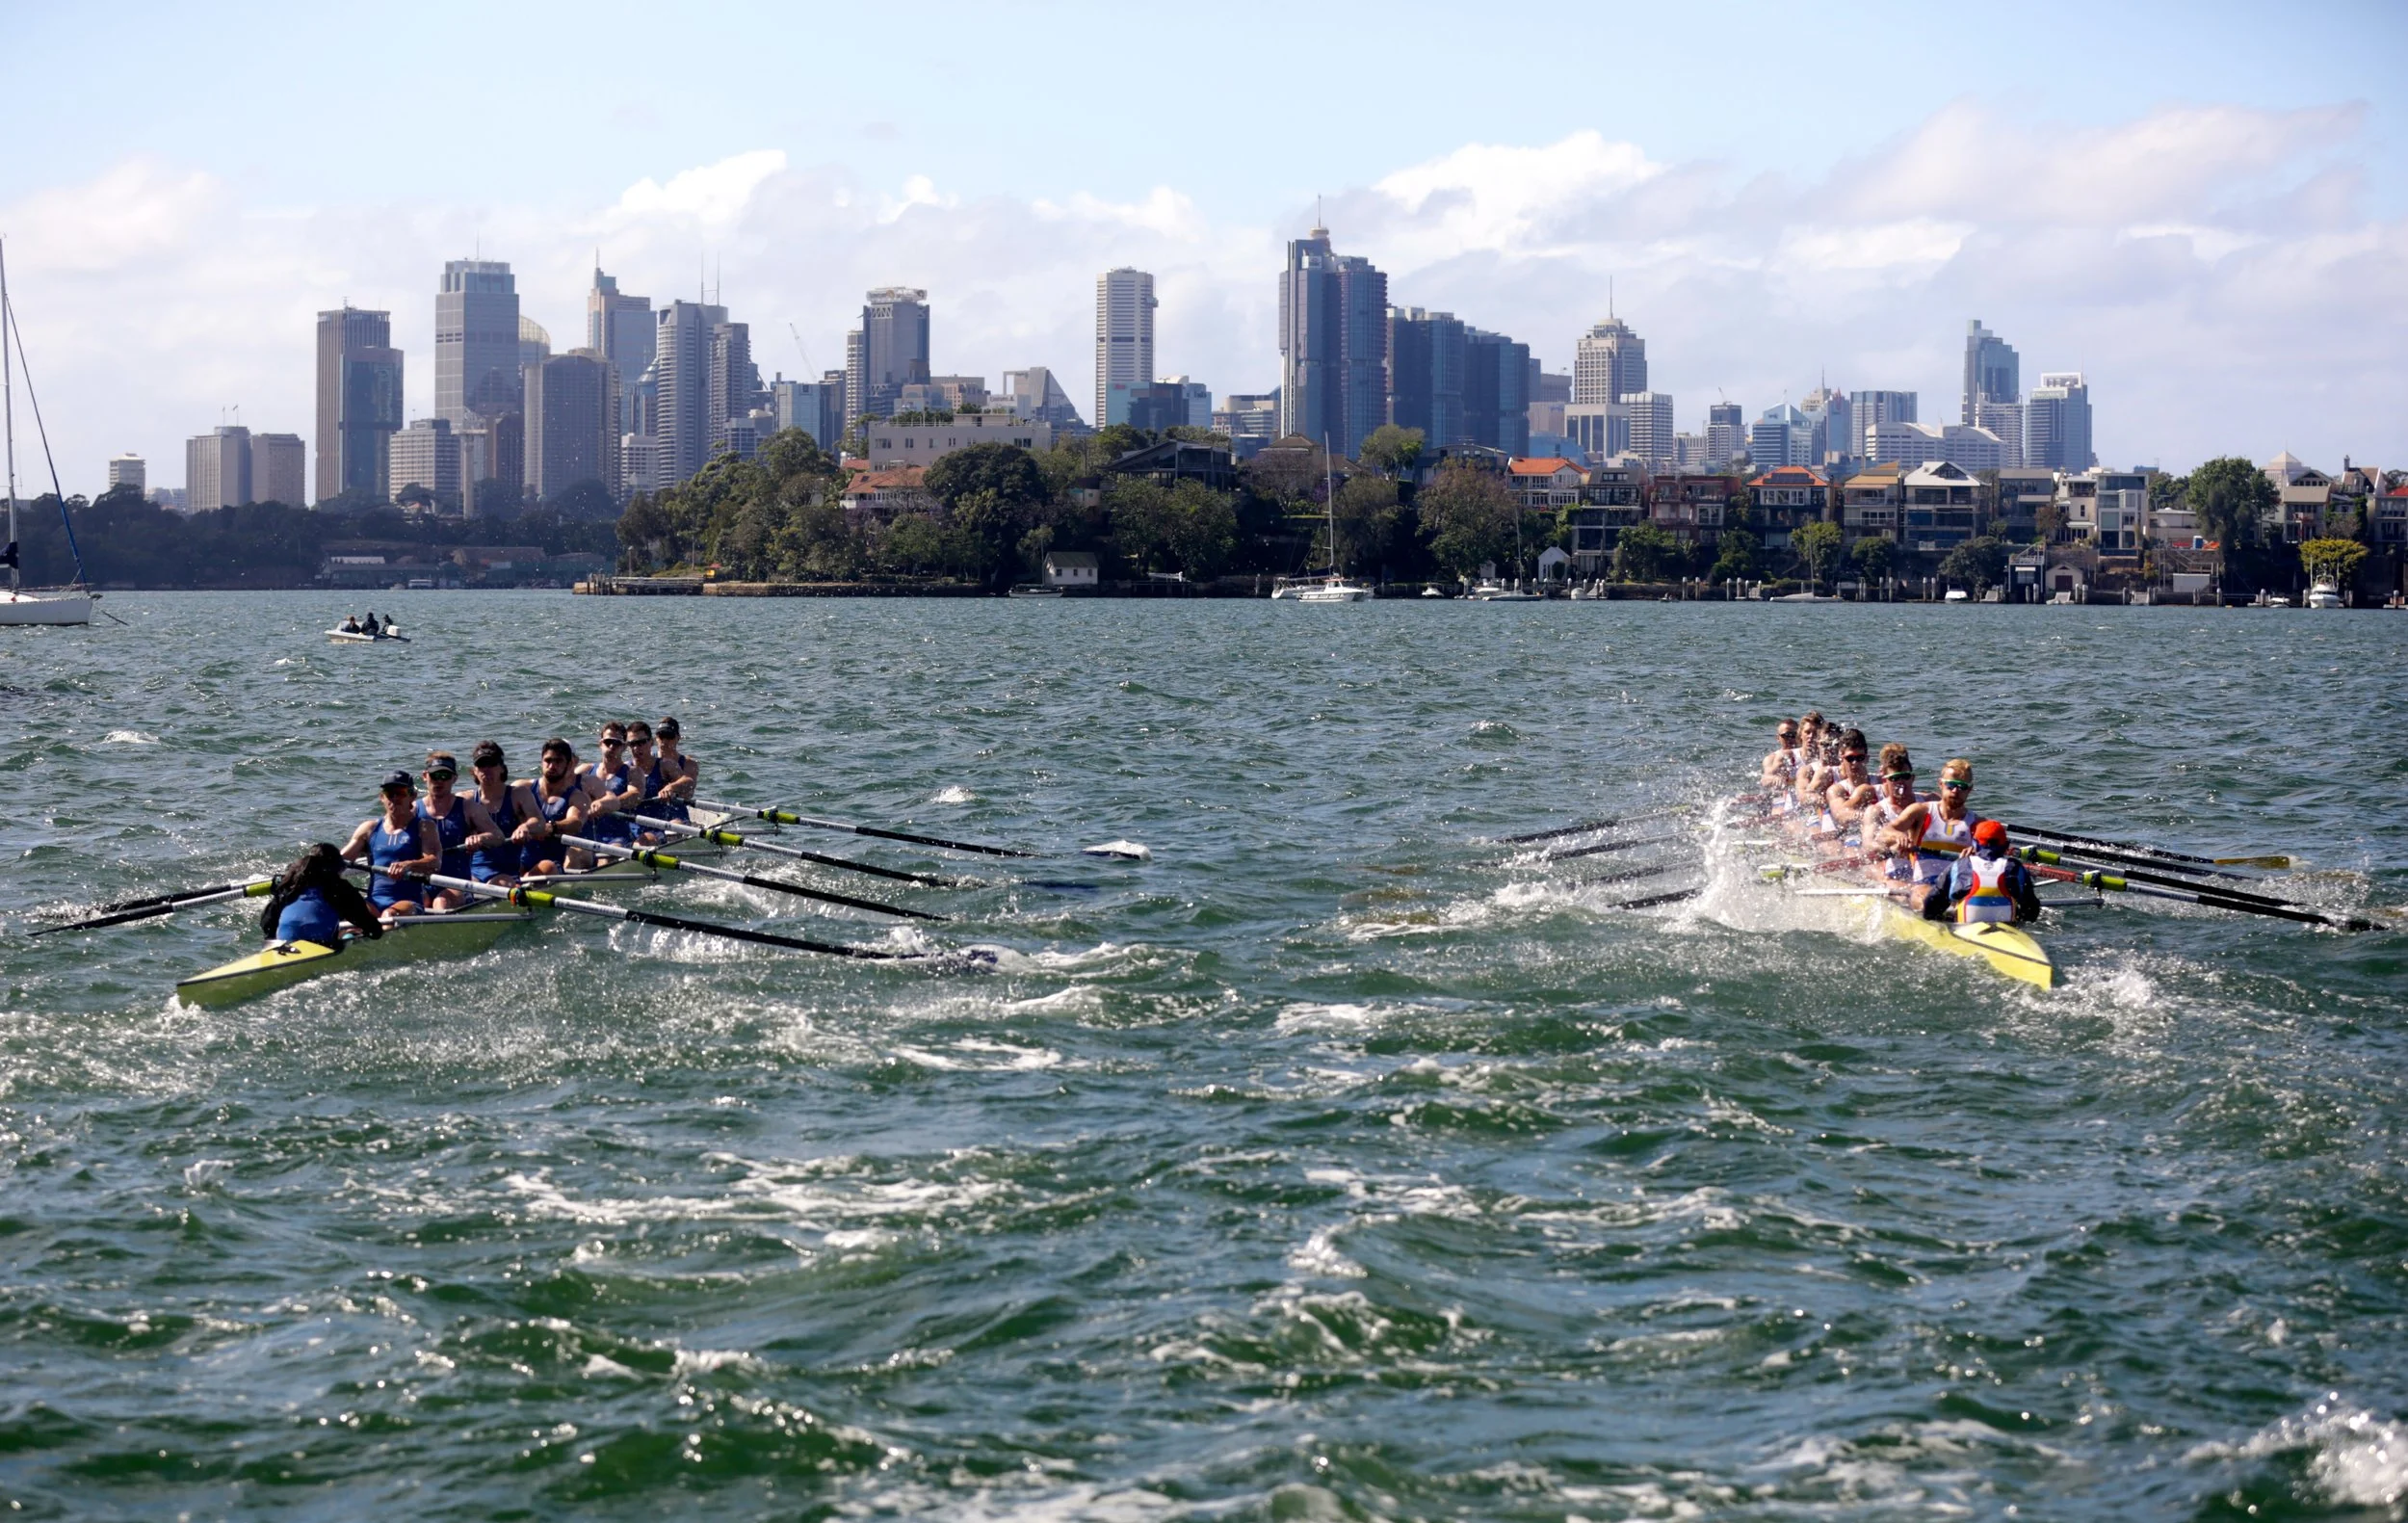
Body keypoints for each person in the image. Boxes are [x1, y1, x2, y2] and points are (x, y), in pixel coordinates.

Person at [1875, 756, 1983, 908]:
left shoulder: (1977, 823)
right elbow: (1884, 832)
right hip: (1924, 884)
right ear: (1941, 784)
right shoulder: (1921, 811)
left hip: (1959, 886)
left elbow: (1992, 855)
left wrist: (1979, 853)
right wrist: (1898, 836)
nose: (1956, 791)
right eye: (1951, 785)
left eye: (1962, 786)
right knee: (1928, 898)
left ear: (1970, 789)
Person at [341, 771, 440, 917]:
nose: (394, 798)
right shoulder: (369, 828)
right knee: (347, 914)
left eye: (400, 792)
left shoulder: (424, 827)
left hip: (409, 903)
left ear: (412, 796)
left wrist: (408, 864)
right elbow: (341, 860)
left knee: (389, 915)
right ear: (382, 797)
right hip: (374, 902)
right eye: (389, 793)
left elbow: (434, 863)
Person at [416, 750, 504, 909]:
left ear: (454, 779)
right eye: (435, 775)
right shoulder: (414, 810)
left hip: (458, 885)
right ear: (425, 776)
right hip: (424, 883)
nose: (439, 781)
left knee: (441, 903)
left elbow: (498, 836)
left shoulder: (468, 808)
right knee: (417, 901)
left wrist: (481, 838)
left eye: (445, 776)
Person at [258, 842, 384, 946]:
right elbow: (374, 931)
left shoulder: (289, 883)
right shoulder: (339, 888)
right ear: (337, 868)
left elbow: (267, 923)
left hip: (281, 941)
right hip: (318, 943)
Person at [1923, 818, 2043, 924]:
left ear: (1975, 844)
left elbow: (1932, 901)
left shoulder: (1959, 866)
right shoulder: (2015, 868)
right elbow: (2032, 909)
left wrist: (1935, 921)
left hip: (1964, 928)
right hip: (2007, 929)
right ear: (2006, 846)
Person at [465, 740, 545, 885]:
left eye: (492, 764)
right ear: (475, 771)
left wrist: (525, 827)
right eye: (481, 765)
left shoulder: (518, 795)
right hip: (475, 872)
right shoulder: (466, 800)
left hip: (507, 872)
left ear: (502, 768)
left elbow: (539, 822)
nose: (487, 770)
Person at [525, 737, 605, 877]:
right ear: (541, 762)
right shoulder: (522, 789)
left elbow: (576, 823)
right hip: (523, 859)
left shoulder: (577, 797)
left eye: (558, 761)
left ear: (569, 765)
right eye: (548, 761)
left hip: (556, 863)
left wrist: (551, 827)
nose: (552, 766)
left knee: (547, 866)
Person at [1861, 744, 1925, 885]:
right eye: (1895, 778)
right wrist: (1892, 847)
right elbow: (1869, 845)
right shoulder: (1876, 810)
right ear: (1885, 780)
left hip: (1924, 863)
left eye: (1905, 777)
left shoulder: (1929, 802)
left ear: (1912, 778)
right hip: (1893, 865)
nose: (1901, 782)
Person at [579, 722, 642, 847]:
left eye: (617, 743)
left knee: (605, 860)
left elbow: (635, 796)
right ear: (600, 744)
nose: (612, 746)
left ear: (624, 747)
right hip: (588, 834)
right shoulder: (585, 770)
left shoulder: (632, 772)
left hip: (617, 836)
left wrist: (606, 805)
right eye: (608, 742)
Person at [1819, 729, 1877, 836]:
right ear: (1842, 758)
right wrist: (1871, 816)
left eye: (1860, 758)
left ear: (1867, 758)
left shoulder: (1880, 782)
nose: (1855, 763)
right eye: (1850, 758)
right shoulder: (1836, 790)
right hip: (1845, 834)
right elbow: (1840, 815)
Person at [1759, 719, 1805, 790]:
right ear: (1778, 738)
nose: (1791, 738)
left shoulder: (1807, 754)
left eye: (1794, 735)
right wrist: (1775, 778)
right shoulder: (1771, 758)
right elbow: (1765, 779)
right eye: (1786, 735)